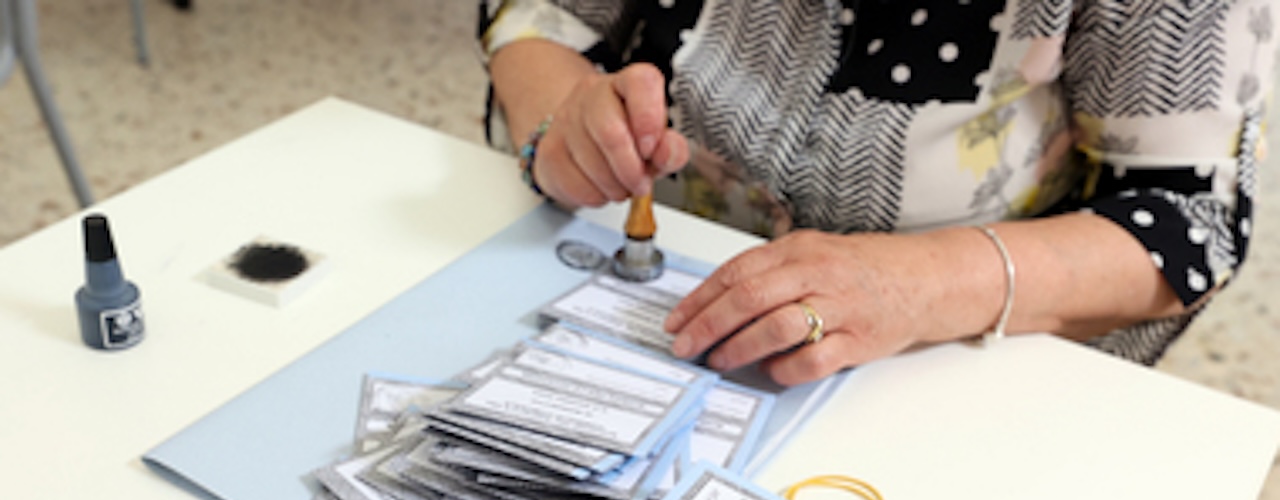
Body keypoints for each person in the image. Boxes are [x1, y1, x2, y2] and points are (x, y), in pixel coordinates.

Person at [478, 0, 1278, 385]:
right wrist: (560, 122)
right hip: (636, 287)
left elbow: (1186, 219)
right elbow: (540, 18)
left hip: (945, 356)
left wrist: (918, 284)